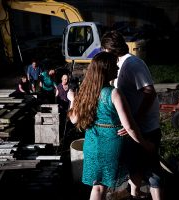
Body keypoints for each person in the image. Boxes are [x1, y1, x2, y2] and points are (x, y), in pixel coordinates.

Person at [67, 52, 152, 200]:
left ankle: (134, 192)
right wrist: (145, 144)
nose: (118, 67)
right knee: (134, 165)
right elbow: (130, 126)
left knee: (98, 186)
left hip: (92, 144)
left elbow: (74, 119)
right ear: (106, 70)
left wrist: (72, 99)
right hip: (111, 145)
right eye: (114, 65)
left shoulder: (86, 92)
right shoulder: (114, 93)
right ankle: (136, 192)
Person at [101, 30, 162, 200]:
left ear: (109, 48)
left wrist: (134, 120)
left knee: (152, 170)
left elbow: (150, 92)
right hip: (134, 126)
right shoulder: (121, 65)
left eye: (104, 49)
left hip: (145, 126)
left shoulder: (133, 64)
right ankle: (134, 193)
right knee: (135, 165)